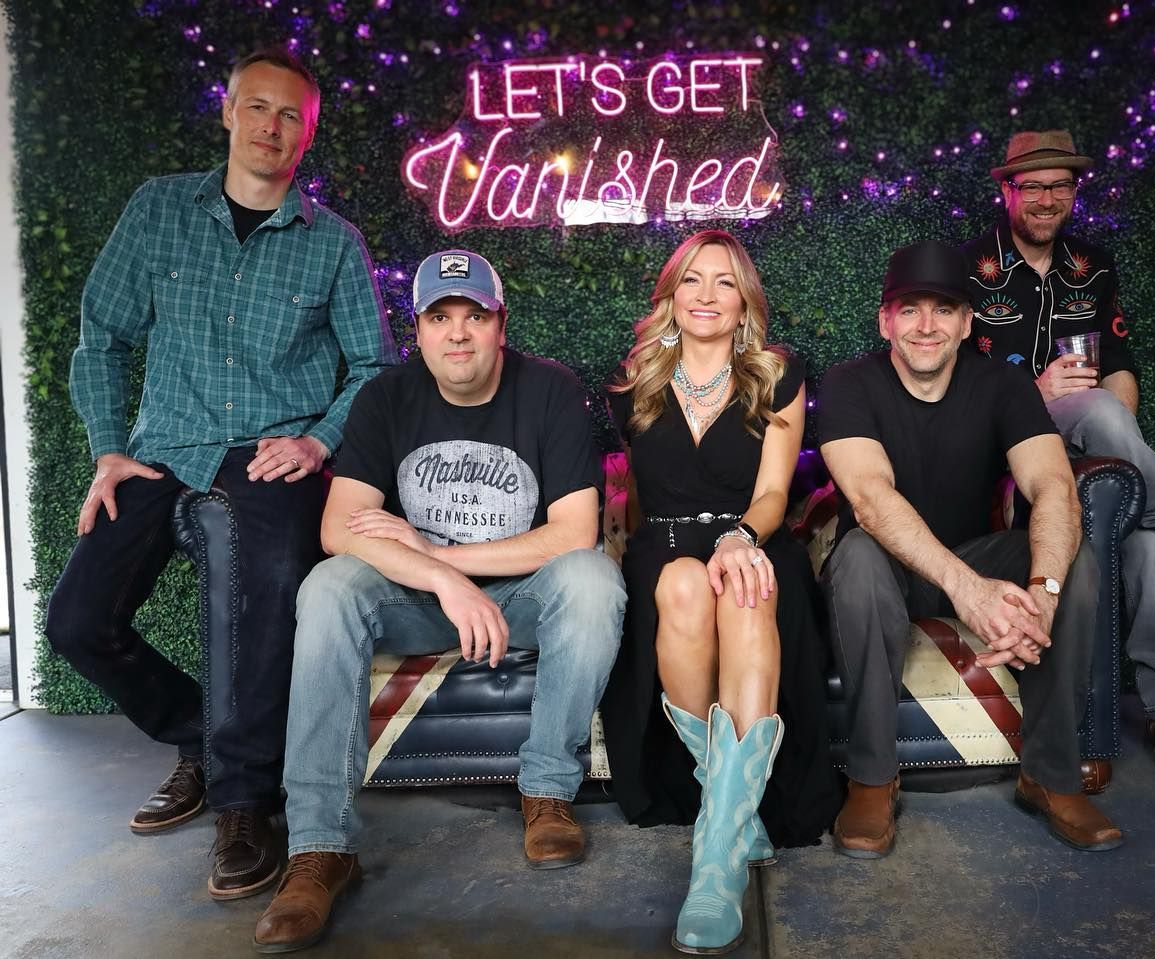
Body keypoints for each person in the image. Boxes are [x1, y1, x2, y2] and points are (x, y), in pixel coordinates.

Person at [44, 46, 395, 900]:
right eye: (258, 107)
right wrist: (107, 448)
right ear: (229, 111)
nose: (272, 126)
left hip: (271, 453)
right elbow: (103, 336)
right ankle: (200, 736)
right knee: (77, 621)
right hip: (164, 444)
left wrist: (317, 444)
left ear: (308, 134)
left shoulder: (334, 243)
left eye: (291, 115)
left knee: (266, 583)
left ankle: (245, 803)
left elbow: (375, 368)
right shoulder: (158, 209)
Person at [251, 248, 625, 953]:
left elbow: (575, 534)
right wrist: (441, 583)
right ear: (417, 330)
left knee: (591, 578)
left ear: (501, 325)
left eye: (475, 316)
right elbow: (339, 530)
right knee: (328, 586)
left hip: (517, 594)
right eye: (440, 317)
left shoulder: (550, 389)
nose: (458, 333)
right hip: (418, 599)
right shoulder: (385, 397)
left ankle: (547, 792)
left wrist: (441, 559)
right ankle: (320, 848)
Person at [960, 130, 1155, 775]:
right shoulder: (968, 269)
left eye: (1060, 185)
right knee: (1098, 416)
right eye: (1033, 186)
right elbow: (953, 384)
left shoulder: (1092, 266)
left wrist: (1116, 449)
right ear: (1006, 190)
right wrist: (1033, 393)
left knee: (1143, 545)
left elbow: (1118, 364)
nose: (1047, 199)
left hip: (1090, 446)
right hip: (1007, 447)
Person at [819, 240, 1122, 855]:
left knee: (1075, 561)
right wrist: (968, 590)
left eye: (943, 309)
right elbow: (872, 500)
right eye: (909, 309)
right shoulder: (849, 383)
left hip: (976, 555)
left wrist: (1043, 593)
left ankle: (1050, 776)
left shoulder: (1003, 385)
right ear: (885, 322)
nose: (926, 325)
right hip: (888, 570)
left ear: (966, 323)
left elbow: (1053, 486)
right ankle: (872, 779)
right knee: (857, 555)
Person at [601, 230, 840, 955]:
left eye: (725, 282)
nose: (707, 295)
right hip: (665, 549)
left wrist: (741, 538)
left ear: (745, 303)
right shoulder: (633, 382)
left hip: (753, 540)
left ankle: (716, 863)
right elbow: (635, 499)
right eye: (692, 280)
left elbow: (773, 493)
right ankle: (735, 816)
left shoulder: (777, 376)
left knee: (743, 588)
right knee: (679, 583)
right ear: (671, 295)